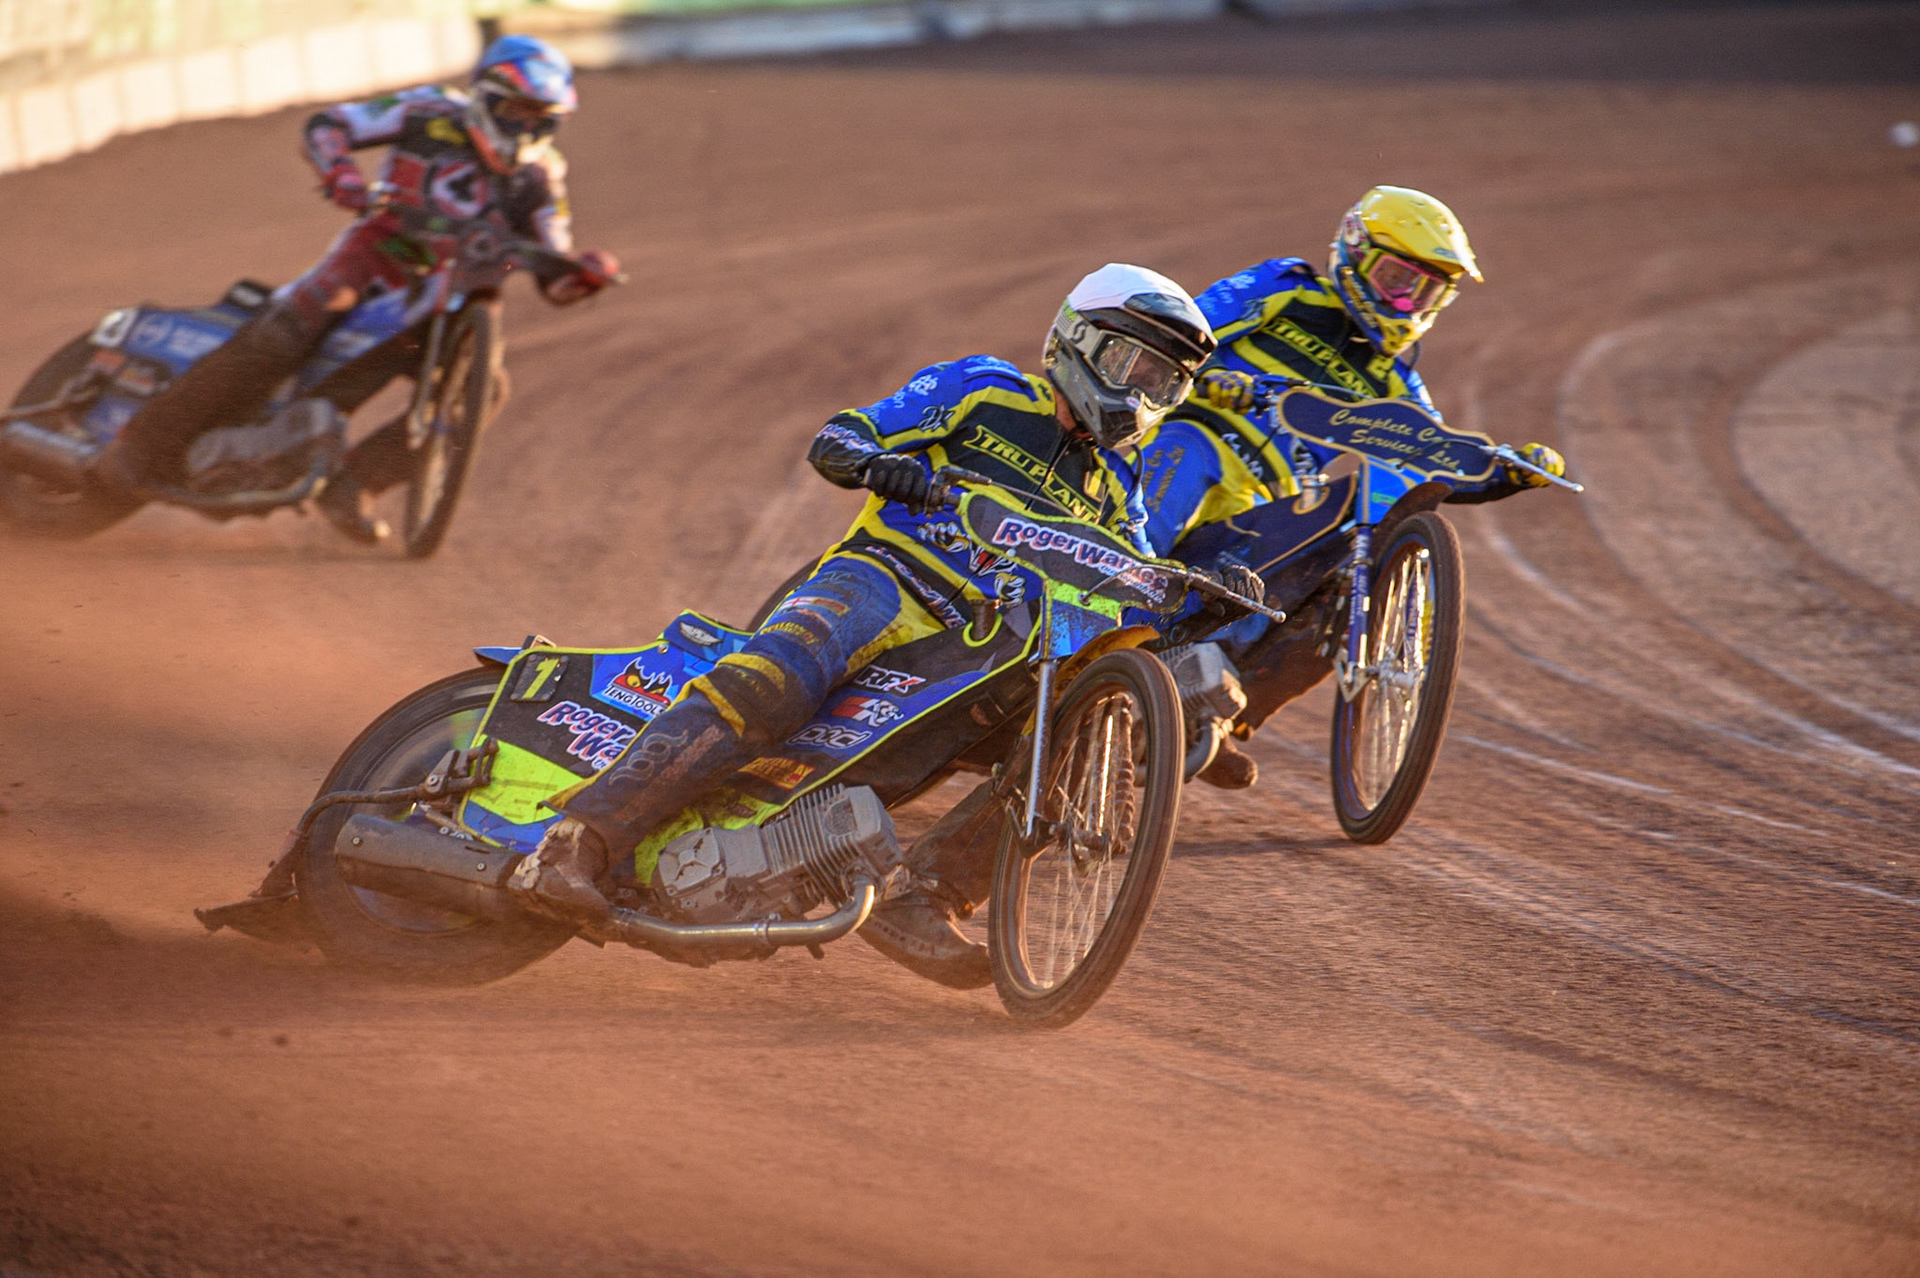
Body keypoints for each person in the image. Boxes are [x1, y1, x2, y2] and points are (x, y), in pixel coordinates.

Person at [509, 264, 1221, 988]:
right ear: (1077, 340)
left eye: (1163, 382)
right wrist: (882, 465)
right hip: (883, 578)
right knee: (775, 684)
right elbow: (841, 437)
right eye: (1131, 363)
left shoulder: (1116, 489)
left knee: (1060, 736)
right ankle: (576, 843)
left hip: (973, 645)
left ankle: (925, 896)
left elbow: (1142, 578)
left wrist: (1213, 595)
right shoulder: (986, 388)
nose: (1140, 392)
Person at [92, 34, 620, 542]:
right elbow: (328, 125)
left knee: (487, 391)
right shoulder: (429, 110)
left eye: (542, 120)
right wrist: (341, 173)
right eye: (516, 114)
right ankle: (138, 446)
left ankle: (353, 487)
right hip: (375, 258)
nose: (526, 131)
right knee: (297, 325)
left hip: (450, 304)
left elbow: (556, 267)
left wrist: (581, 273)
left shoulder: (544, 175)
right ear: (486, 99)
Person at [1134, 185, 1565, 789]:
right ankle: (1085, 624)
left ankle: (1210, 711)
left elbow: (1432, 456)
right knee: (1191, 457)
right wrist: (1212, 376)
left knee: (1338, 586)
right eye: (1396, 279)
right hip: (1192, 438)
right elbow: (1182, 332)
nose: (1407, 301)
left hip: (1267, 498)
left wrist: (1507, 471)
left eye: (1426, 291)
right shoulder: (1285, 287)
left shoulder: (1394, 379)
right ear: (1355, 252)